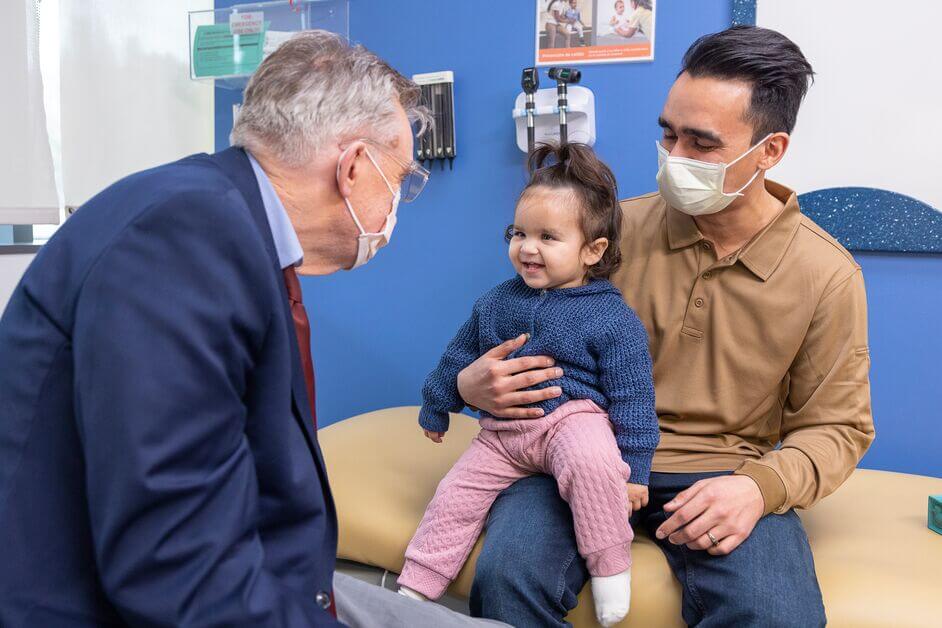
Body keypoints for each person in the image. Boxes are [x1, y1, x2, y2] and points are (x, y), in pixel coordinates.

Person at [0, 31, 505, 628]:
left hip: (268, 569)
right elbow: (175, 566)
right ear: (352, 168)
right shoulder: (183, 241)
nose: (399, 200)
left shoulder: (221, 219)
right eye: (402, 179)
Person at [460, 26, 874, 627]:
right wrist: (474, 386)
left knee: (777, 616)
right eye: (668, 133)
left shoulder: (827, 274)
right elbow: (513, 337)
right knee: (508, 575)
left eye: (701, 143)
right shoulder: (611, 234)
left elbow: (837, 426)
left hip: (723, 472)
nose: (674, 156)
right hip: (579, 451)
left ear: (770, 150)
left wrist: (761, 487)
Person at [396, 143, 659, 627]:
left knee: (593, 465)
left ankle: (610, 565)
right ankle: (415, 585)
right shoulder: (497, 300)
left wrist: (636, 471)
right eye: (517, 233)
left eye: (547, 237)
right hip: (504, 432)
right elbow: (459, 355)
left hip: (571, 421)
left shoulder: (612, 317)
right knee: (454, 494)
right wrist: (437, 403)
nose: (527, 247)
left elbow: (633, 399)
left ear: (593, 250)